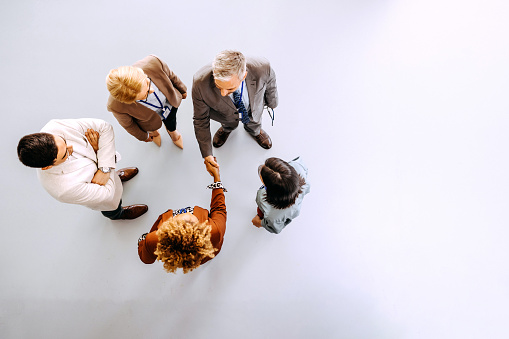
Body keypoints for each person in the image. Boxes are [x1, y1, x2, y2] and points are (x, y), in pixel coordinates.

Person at [17, 118, 148, 220]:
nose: (71, 148)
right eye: (64, 154)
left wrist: (104, 169)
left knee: (111, 177)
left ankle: (116, 177)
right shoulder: (63, 189)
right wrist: (98, 152)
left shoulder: (54, 127)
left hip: (104, 173)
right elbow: (106, 195)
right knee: (112, 207)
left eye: (63, 141)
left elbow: (104, 127)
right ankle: (119, 215)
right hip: (105, 197)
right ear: (47, 166)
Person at [138, 158, 227, 273]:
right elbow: (219, 209)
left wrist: (142, 242)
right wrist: (216, 177)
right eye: (192, 219)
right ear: (200, 230)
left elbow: (146, 259)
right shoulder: (215, 230)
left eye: (178, 220)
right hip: (206, 254)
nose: (186, 213)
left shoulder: (154, 239)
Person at [192, 50, 278, 168]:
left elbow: (271, 83)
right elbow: (200, 120)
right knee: (228, 122)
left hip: (252, 108)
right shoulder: (199, 83)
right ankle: (227, 128)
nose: (223, 93)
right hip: (224, 113)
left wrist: (272, 102)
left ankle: (255, 131)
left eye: (230, 89)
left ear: (244, 76)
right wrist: (207, 154)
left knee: (255, 122)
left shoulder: (263, 68)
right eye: (218, 86)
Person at [106, 55, 187, 149]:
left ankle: (172, 131)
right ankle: (155, 133)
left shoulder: (153, 62)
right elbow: (129, 125)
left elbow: (171, 76)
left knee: (171, 120)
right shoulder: (115, 106)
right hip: (148, 120)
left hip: (168, 103)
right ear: (130, 101)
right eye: (146, 94)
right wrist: (144, 136)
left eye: (148, 82)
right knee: (151, 127)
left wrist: (182, 90)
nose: (152, 90)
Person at [252, 157, 310, 234]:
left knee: (260, 212)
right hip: (292, 206)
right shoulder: (297, 166)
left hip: (275, 213)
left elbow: (275, 228)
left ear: (272, 191)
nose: (261, 167)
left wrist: (260, 223)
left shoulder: (268, 210)